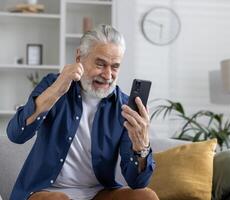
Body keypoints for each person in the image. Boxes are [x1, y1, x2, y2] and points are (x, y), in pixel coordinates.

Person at [6, 24, 158, 200]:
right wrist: (57, 90)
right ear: (79, 57)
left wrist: (142, 146)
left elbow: (137, 182)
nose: (108, 75)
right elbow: (16, 135)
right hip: (46, 191)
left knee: (146, 196)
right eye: (100, 64)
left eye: (115, 66)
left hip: (98, 193)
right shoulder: (53, 84)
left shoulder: (124, 107)